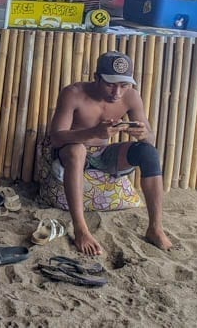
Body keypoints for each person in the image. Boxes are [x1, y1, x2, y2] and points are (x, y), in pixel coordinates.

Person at [48, 51, 173, 256]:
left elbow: (150, 138)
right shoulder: (73, 93)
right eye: (110, 84)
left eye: (123, 85)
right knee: (77, 150)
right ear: (97, 77)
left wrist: (143, 135)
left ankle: (155, 228)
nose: (117, 92)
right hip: (71, 151)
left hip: (105, 154)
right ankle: (81, 230)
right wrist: (93, 133)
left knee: (148, 153)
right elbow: (56, 138)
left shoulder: (131, 97)